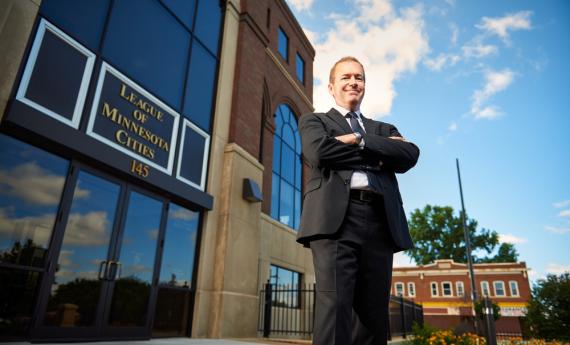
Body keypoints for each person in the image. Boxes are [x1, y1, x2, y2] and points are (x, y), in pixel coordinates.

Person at [297, 56, 420, 345]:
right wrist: (380, 155)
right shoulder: (315, 120)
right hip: (336, 221)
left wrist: (357, 141)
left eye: (359, 77)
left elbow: (409, 154)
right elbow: (319, 153)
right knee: (335, 306)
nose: (354, 82)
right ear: (331, 86)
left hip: (380, 220)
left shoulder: (382, 128)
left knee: (374, 314)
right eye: (346, 77)